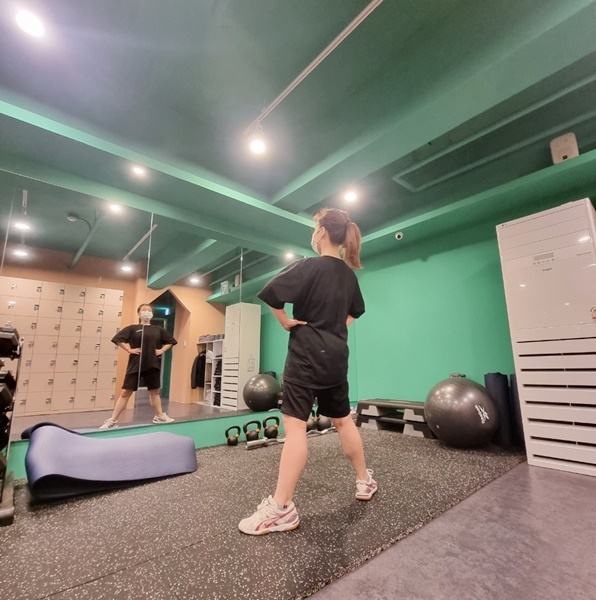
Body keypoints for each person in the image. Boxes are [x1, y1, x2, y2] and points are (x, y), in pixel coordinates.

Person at [238, 208, 377, 535]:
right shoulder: (349, 276)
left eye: (315, 228)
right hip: (336, 356)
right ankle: (364, 481)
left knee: (296, 426)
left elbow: (272, 295)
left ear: (322, 232)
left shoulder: (308, 266)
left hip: (306, 355)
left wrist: (286, 322)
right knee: (343, 420)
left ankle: (282, 508)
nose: (313, 233)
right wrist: (332, 329)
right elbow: (356, 312)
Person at [99, 303, 177, 429]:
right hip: (135, 363)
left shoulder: (158, 329)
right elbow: (117, 339)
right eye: (144, 310)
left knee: (155, 392)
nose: (146, 312)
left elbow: (171, 341)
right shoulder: (132, 328)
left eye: (149, 310)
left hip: (152, 363)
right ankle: (113, 420)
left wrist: (162, 350)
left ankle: (159, 416)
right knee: (125, 392)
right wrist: (129, 350)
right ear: (139, 313)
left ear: (152, 313)